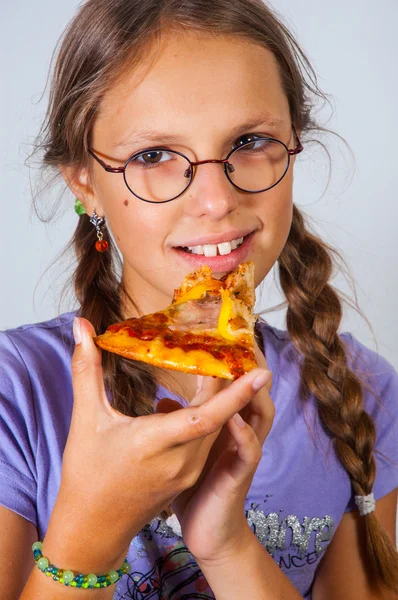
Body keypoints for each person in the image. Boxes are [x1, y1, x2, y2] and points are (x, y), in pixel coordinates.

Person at [0, 0, 397, 598]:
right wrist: (92, 528)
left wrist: (225, 542)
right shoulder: (17, 392)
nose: (216, 199)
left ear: (294, 148)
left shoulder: (359, 388)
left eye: (251, 140)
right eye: (153, 156)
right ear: (85, 181)